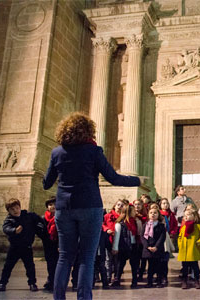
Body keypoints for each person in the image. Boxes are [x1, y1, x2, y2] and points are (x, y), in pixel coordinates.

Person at [42, 112, 141, 300]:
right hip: (90, 207)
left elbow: (47, 183)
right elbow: (113, 178)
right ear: (88, 131)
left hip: (64, 209)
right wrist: (136, 180)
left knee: (65, 257)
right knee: (87, 258)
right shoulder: (94, 151)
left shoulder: (57, 152)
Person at [0, 198, 44, 292]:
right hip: (14, 247)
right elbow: (6, 228)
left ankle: (32, 283)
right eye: (12, 209)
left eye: (16, 208)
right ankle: (2, 283)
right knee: (8, 266)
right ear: (9, 211)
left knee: (30, 266)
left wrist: (40, 226)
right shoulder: (9, 219)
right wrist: (14, 230)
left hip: (27, 246)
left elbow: (39, 219)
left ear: (20, 207)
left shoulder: (28, 216)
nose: (15, 211)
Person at [112, 205, 142, 288]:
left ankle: (134, 281)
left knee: (134, 264)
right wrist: (115, 248)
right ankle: (117, 279)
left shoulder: (135, 222)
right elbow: (117, 236)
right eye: (133, 211)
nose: (135, 212)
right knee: (120, 264)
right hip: (123, 246)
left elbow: (138, 233)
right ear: (128, 212)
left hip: (134, 245)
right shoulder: (120, 224)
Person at [178, 209, 200, 289]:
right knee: (184, 268)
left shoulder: (198, 226)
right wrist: (180, 244)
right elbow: (180, 237)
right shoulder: (183, 227)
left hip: (193, 250)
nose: (185, 217)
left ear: (194, 216)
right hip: (184, 251)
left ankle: (197, 280)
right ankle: (184, 281)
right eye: (185, 215)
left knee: (195, 267)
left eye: (188, 214)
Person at [141, 207, 166, 288]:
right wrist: (147, 246)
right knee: (150, 266)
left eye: (155, 213)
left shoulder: (161, 226)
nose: (153, 214)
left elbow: (162, 237)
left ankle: (159, 281)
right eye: (151, 212)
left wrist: (156, 247)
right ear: (148, 215)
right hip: (148, 249)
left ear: (158, 215)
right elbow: (143, 237)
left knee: (159, 266)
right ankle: (149, 281)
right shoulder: (145, 225)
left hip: (157, 249)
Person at [42, 196, 59, 292]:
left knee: (58, 263)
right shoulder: (44, 218)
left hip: (58, 244)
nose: (53, 206)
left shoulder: (61, 216)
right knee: (50, 263)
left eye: (55, 204)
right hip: (48, 244)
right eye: (50, 204)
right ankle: (51, 280)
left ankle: (55, 281)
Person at [159, 198, 178, 285]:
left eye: (167, 203)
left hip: (167, 237)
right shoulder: (158, 214)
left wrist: (172, 233)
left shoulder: (171, 215)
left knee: (165, 259)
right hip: (158, 238)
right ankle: (158, 276)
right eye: (163, 203)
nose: (165, 205)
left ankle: (164, 277)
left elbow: (174, 225)